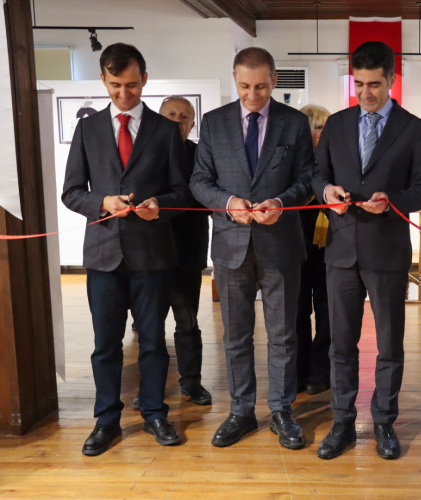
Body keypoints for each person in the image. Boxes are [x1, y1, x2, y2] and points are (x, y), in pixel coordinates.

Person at [61, 43, 192, 456]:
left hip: (152, 254)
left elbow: (183, 193)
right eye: (115, 85)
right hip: (103, 255)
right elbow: (71, 192)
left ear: (145, 79)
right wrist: (102, 201)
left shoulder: (165, 130)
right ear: (103, 79)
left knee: (153, 341)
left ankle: (154, 412)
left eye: (132, 85)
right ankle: (106, 420)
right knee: (105, 344)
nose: (123, 94)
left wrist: (160, 206)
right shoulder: (87, 130)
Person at [312, 41, 421, 460]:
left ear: (392, 80)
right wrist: (326, 191)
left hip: (387, 251)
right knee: (340, 344)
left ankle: (384, 421)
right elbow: (317, 174)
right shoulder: (336, 124)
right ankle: (342, 421)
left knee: (389, 345)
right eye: (359, 84)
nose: (365, 93)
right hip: (341, 250)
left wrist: (392, 199)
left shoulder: (414, 129)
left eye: (374, 84)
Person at [190, 47, 313, 450]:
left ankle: (281, 410)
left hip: (281, 244)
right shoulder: (214, 122)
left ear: (274, 81)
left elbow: (307, 180)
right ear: (235, 79)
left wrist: (280, 202)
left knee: (284, 335)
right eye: (245, 86)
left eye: (261, 86)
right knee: (236, 336)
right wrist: (228, 203)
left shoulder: (295, 122)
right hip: (231, 245)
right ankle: (241, 411)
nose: (253, 95)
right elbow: (199, 181)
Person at [131, 97, 212, 410]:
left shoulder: (201, 154)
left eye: (184, 117)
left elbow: (205, 197)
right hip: (148, 250)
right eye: (171, 115)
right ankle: (149, 388)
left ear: (192, 124)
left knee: (187, 321)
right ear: (158, 118)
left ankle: (191, 382)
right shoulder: (143, 150)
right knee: (149, 326)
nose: (178, 121)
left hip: (187, 251)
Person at [296, 104, 332, 395]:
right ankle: (299, 370)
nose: (323, 133)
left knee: (327, 310)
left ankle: (321, 371)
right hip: (295, 242)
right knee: (296, 311)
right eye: (318, 127)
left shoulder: (335, 160)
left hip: (330, 244)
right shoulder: (292, 162)